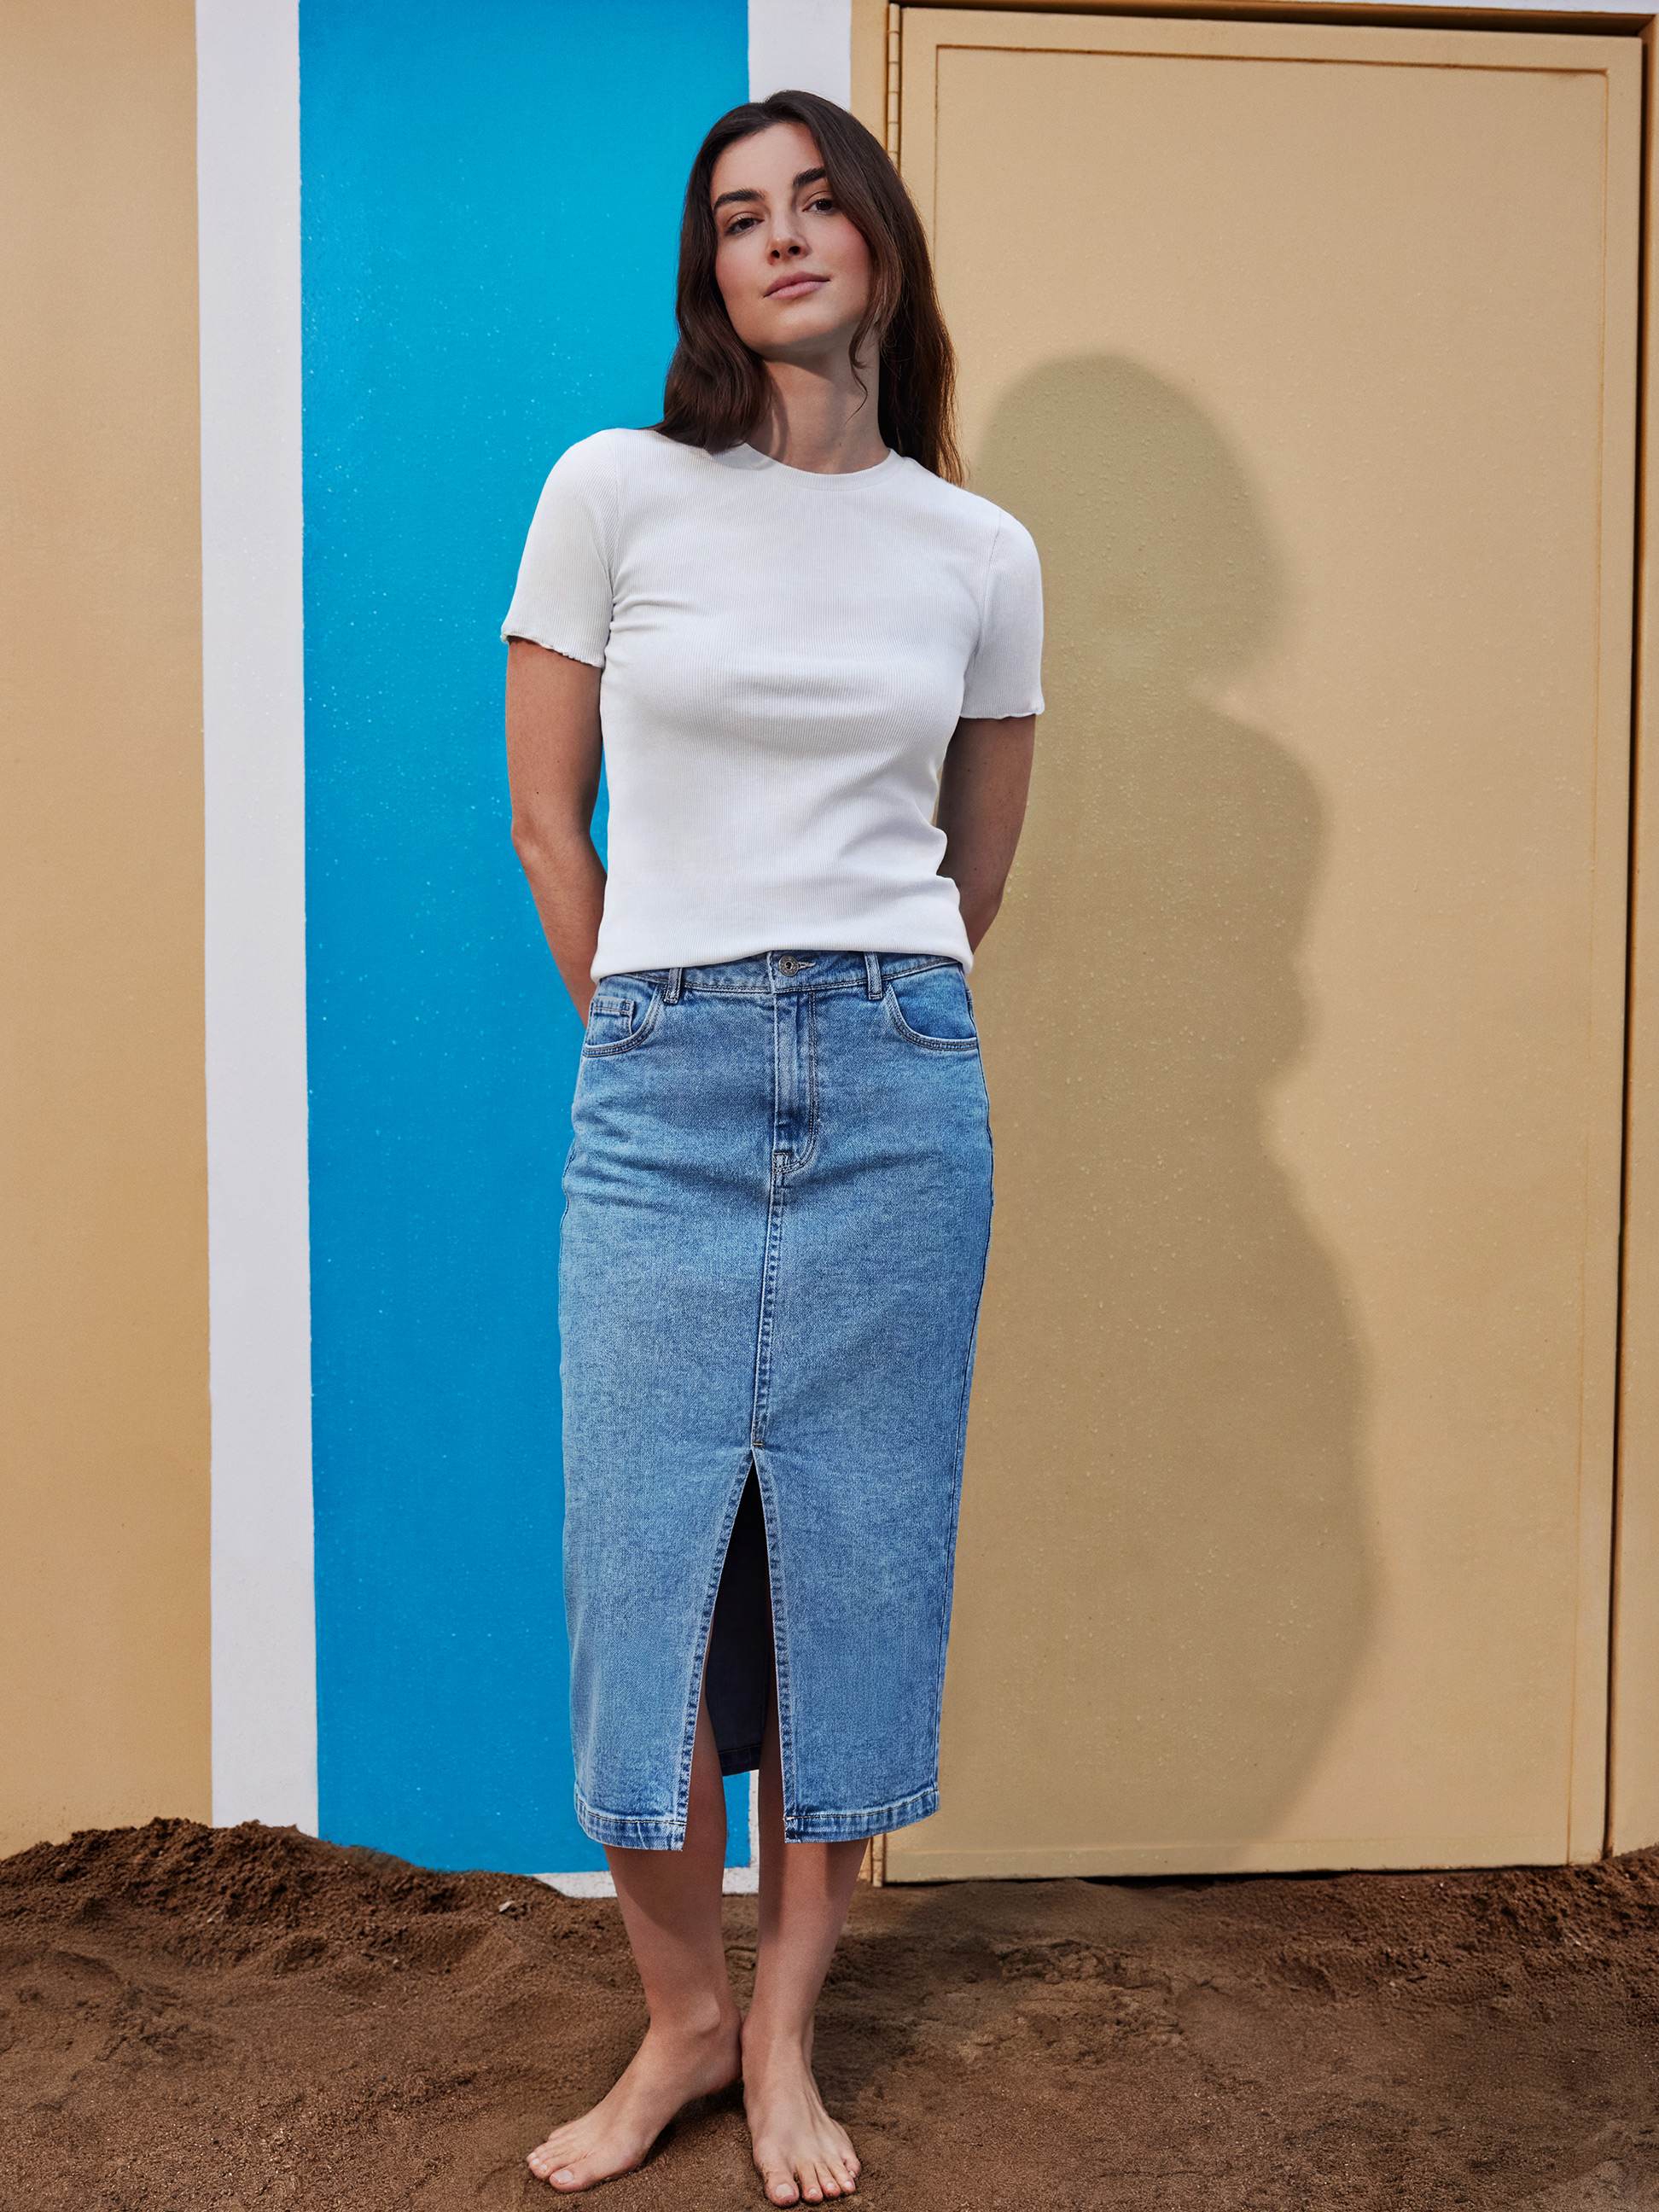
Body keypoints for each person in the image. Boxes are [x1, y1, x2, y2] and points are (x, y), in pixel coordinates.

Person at [502, 89, 1042, 2206]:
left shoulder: (977, 549)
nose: (786, 237)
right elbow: (554, 820)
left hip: (898, 1081)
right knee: (646, 1578)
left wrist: (850, 1012)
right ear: (708, 278)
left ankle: (790, 2036)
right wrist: (646, 1023)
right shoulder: (615, 490)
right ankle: (680, 2031)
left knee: (851, 1581)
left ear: (883, 247)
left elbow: (968, 873)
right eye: (742, 218)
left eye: (822, 202)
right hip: (664, 1082)